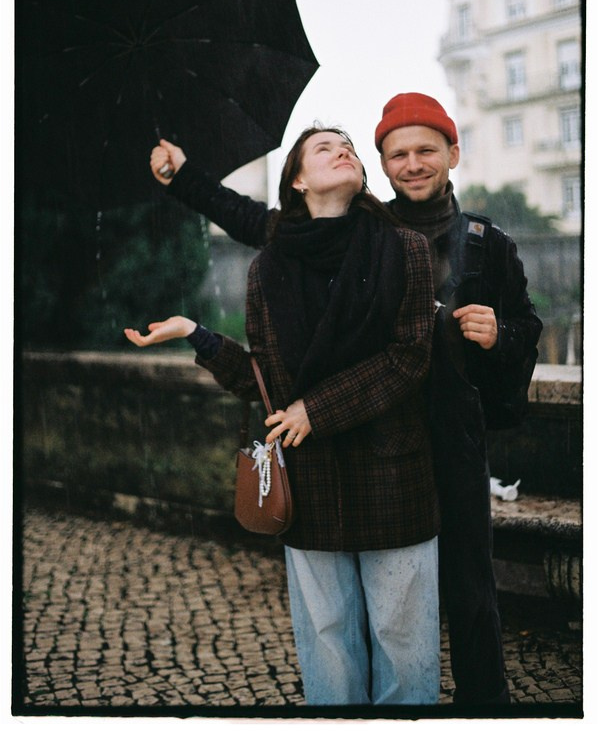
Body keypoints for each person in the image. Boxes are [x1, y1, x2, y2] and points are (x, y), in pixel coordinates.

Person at [150, 92, 542, 707]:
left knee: (466, 593)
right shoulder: (357, 229)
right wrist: (184, 177)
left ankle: (483, 712)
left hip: (447, 432)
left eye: (426, 151)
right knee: (345, 624)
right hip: (365, 436)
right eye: (398, 154)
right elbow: (253, 220)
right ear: (382, 165)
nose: (412, 164)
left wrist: (500, 333)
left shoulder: (478, 241)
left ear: (453, 154)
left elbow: (523, 331)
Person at [128, 126, 441, 706]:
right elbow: (266, 385)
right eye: (325, 147)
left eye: (348, 146)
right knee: (327, 643)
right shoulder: (268, 266)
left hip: (393, 473)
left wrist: (315, 410)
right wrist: (196, 334)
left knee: (404, 646)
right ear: (297, 179)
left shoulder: (405, 248)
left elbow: (409, 359)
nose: (343, 150)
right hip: (309, 478)